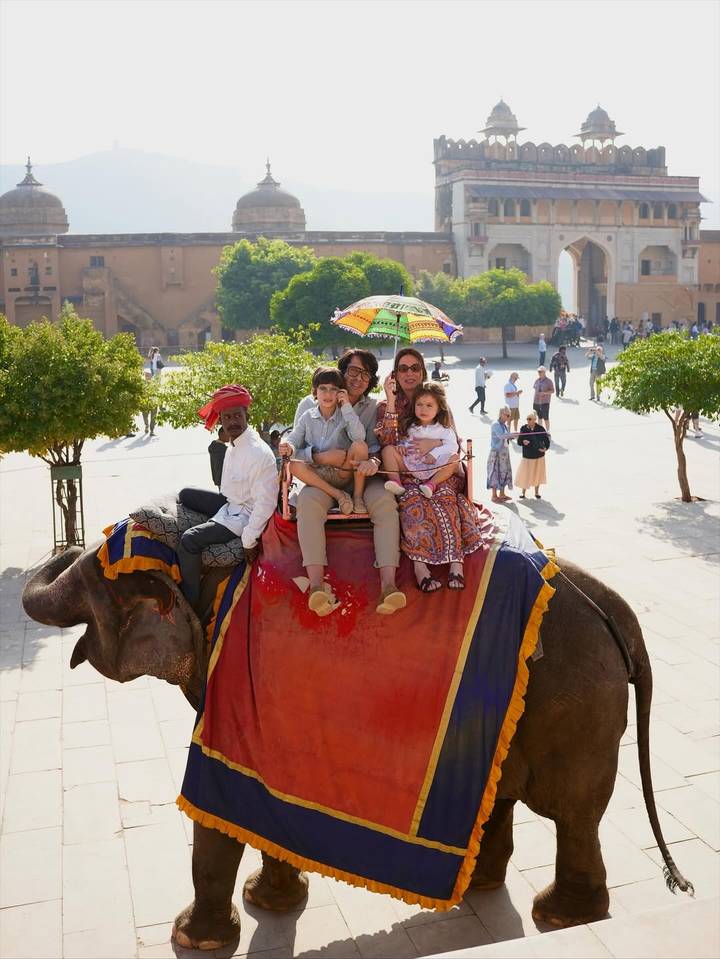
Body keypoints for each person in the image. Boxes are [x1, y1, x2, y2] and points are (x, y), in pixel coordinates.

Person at [292, 348, 406, 618]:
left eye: (365, 374)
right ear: (342, 371)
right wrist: (320, 456)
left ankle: (388, 586)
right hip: (324, 477)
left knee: (385, 502)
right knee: (308, 503)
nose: (358, 378)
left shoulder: (372, 407)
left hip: (361, 478)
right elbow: (294, 444)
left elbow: (375, 446)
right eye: (353, 371)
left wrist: (374, 463)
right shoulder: (309, 404)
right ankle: (317, 587)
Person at [376, 349, 484, 593]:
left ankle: (456, 561)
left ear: (422, 371)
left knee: (444, 498)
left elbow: (452, 440)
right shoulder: (386, 405)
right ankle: (420, 567)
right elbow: (388, 442)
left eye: (415, 368)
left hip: (438, 469)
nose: (409, 373)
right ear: (395, 373)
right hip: (408, 470)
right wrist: (392, 400)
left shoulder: (436, 400)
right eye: (403, 368)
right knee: (411, 501)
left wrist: (432, 445)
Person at [177, 385, 278, 607]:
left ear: (247, 416)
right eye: (227, 417)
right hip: (230, 504)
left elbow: (265, 502)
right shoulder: (233, 443)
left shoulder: (257, 452)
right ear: (220, 420)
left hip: (243, 516)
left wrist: (249, 539)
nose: (232, 421)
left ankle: (189, 603)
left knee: (189, 540)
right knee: (185, 494)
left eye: (237, 416)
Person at [279, 367, 368, 518]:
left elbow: (359, 437)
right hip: (317, 475)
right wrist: (289, 447)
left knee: (360, 446)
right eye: (323, 389)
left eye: (333, 389)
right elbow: (294, 439)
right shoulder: (307, 417)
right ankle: (338, 495)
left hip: (342, 473)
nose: (328, 394)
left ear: (340, 392)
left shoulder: (345, 414)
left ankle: (358, 497)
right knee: (293, 464)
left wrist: (346, 405)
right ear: (315, 392)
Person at [382, 382, 459, 499]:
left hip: (434, 465)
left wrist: (435, 453)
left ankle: (431, 484)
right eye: (419, 404)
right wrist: (402, 446)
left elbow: (453, 446)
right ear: (414, 406)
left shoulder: (444, 429)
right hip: (412, 463)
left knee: (455, 458)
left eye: (429, 405)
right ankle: (396, 483)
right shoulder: (412, 425)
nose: (424, 409)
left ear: (439, 408)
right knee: (388, 451)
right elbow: (408, 441)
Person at [516, 411, 550, 499]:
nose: (528, 420)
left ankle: (536, 492)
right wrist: (523, 442)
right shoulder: (523, 428)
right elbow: (519, 441)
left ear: (535, 420)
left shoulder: (540, 429)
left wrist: (545, 448)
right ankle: (523, 493)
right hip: (527, 456)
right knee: (526, 474)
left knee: (538, 474)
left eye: (530, 419)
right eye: (527, 419)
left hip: (539, 455)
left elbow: (547, 441)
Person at [486, 407, 515, 503]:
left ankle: (502, 494)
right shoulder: (496, 424)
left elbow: (506, 437)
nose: (508, 417)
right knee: (495, 472)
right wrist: (513, 435)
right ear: (501, 414)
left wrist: (512, 436)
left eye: (509, 416)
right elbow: (502, 436)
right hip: (496, 453)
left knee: (505, 472)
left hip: (504, 453)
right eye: (507, 415)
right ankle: (494, 496)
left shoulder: (504, 425)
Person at [532, 366, 554, 432]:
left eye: (540, 371)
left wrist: (544, 393)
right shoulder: (537, 380)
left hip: (545, 402)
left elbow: (552, 391)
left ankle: (547, 431)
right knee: (539, 417)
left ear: (544, 372)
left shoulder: (549, 381)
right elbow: (535, 389)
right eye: (538, 371)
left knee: (546, 417)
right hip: (536, 401)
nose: (539, 373)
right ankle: (540, 431)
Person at [140, 370, 158, 436]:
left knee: (153, 417)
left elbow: (158, 393)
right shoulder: (142, 384)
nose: (147, 376)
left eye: (149, 375)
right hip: (145, 403)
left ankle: (152, 430)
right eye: (146, 375)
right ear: (144, 376)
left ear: (151, 376)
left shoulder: (155, 383)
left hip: (154, 402)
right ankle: (146, 425)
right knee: (145, 416)